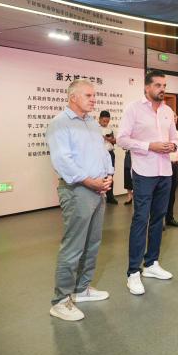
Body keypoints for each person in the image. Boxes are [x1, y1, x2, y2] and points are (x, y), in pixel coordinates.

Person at [45, 80, 115, 321]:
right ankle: (60, 300)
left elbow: (103, 152)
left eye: (94, 95)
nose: (93, 99)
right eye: (88, 95)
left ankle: (81, 289)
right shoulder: (59, 123)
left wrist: (108, 175)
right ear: (73, 97)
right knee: (74, 246)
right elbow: (62, 160)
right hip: (77, 190)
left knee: (92, 242)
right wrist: (89, 181)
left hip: (98, 189)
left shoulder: (92, 123)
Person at [117, 71, 178, 295]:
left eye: (164, 85)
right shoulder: (133, 109)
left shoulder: (167, 111)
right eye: (158, 85)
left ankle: (151, 263)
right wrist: (149, 146)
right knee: (141, 219)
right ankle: (133, 272)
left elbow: (174, 138)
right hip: (143, 172)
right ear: (147, 88)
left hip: (165, 171)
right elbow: (122, 139)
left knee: (158, 219)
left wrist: (172, 145)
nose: (162, 89)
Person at [166, 111, 178, 228]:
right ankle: (160, 221)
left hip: (175, 165)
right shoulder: (163, 133)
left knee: (172, 193)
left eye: (175, 116)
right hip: (165, 165)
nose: (175, 118)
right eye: (172, 116)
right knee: (163, 194)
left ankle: (169, 218)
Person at [98, 110, 119, 204]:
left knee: (110, 174)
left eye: (107, 121)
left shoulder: (111, 128)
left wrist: (109, 139)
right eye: (104, 121)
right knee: (99, 174)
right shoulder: (94, 128)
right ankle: (99, 196)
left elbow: (116, 141)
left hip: (110, 153)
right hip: (99, 154)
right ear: (99, 119)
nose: (106, 123)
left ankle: (110, 196)